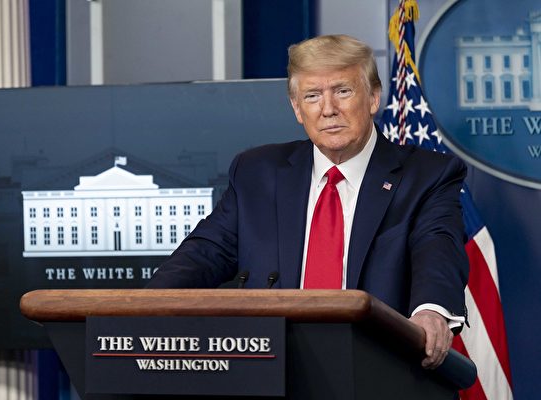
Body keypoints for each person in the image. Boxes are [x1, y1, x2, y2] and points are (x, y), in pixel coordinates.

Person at [146, 34, 469, 370]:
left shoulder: (427, 176)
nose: (328, 110)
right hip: (270, 372)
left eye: (343, 91)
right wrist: (142, 307)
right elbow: (204, 252)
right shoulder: (257, 173)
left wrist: (431, 312)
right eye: (312, 96)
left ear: (373, 98)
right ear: (297, 108)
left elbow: (438, 250)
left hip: (378, 370)